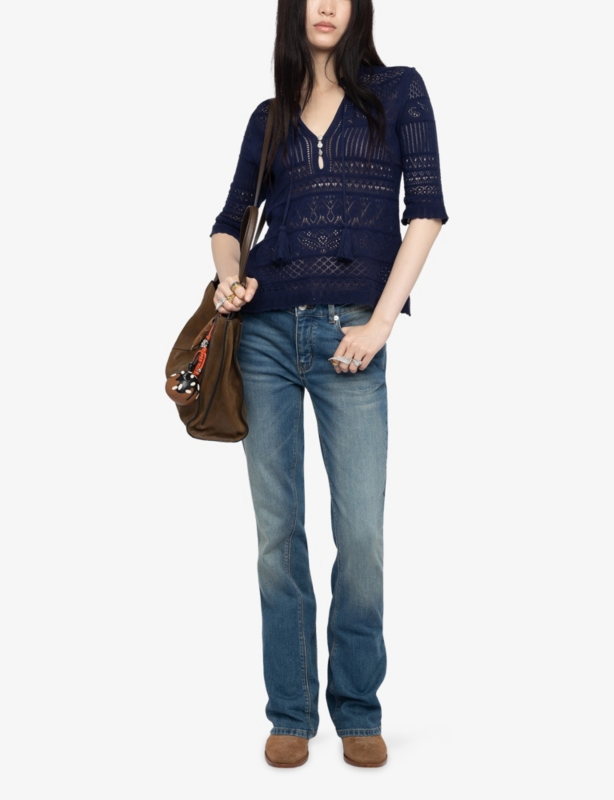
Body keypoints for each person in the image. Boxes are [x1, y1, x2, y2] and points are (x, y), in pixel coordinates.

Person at [210, 0, 448, 769]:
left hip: (352, 336)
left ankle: (357, 709)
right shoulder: (270, 115)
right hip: (266, 336)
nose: (325, 4)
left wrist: (379, 325)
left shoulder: (399, 91)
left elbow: (426, 213)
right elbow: (230, 221)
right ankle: (290, 712)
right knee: (278, 537)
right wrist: (229, 278)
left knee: (362, 536)